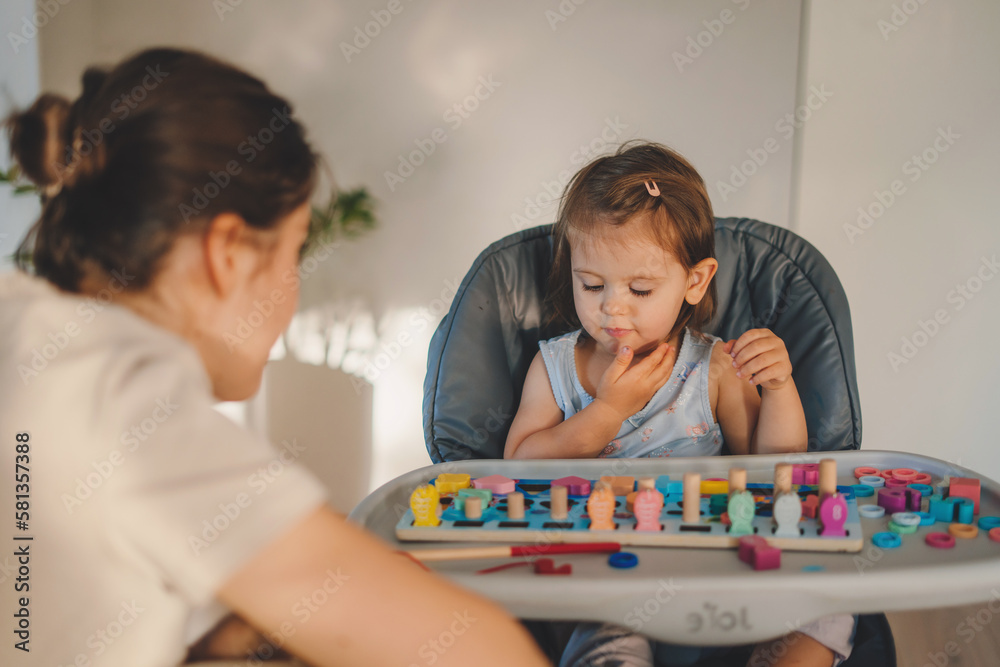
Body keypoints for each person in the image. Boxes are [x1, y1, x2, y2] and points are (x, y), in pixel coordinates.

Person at [0, 47, 548, 667]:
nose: (293, 290)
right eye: (294, 254)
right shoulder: (119, 396)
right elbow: (483, 655)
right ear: (228, 251)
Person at [503, 143, 854, 667]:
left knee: (827, 603)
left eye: (640, 289)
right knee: (607, 636)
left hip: (715, 553)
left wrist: (779, 386)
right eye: (592, 284)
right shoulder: (556, 367)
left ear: (695, 281)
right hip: (604, 567)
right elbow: (518, 466)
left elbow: (777, 466)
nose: (611, 307)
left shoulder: (713, 368)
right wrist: (606, 411)